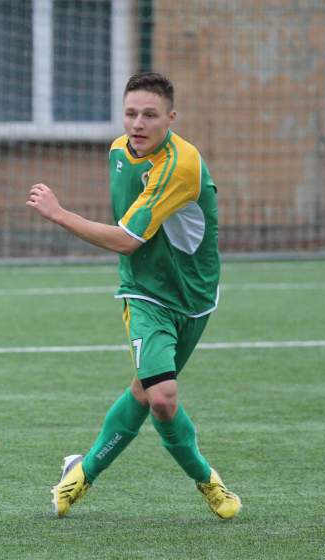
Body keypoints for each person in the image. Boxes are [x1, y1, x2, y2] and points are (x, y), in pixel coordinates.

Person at [26, 72, 241, 520]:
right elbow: (131, 240)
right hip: (144, 295)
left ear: (171, 118)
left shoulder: (180, 165)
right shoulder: (119, 153)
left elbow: (127, 238)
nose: (138, 124)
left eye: (149, 115)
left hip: (195, 296)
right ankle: (208, 481)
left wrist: (59, 214)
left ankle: (80, 471)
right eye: (130, 114)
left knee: (145, 392)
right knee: (162, 396)